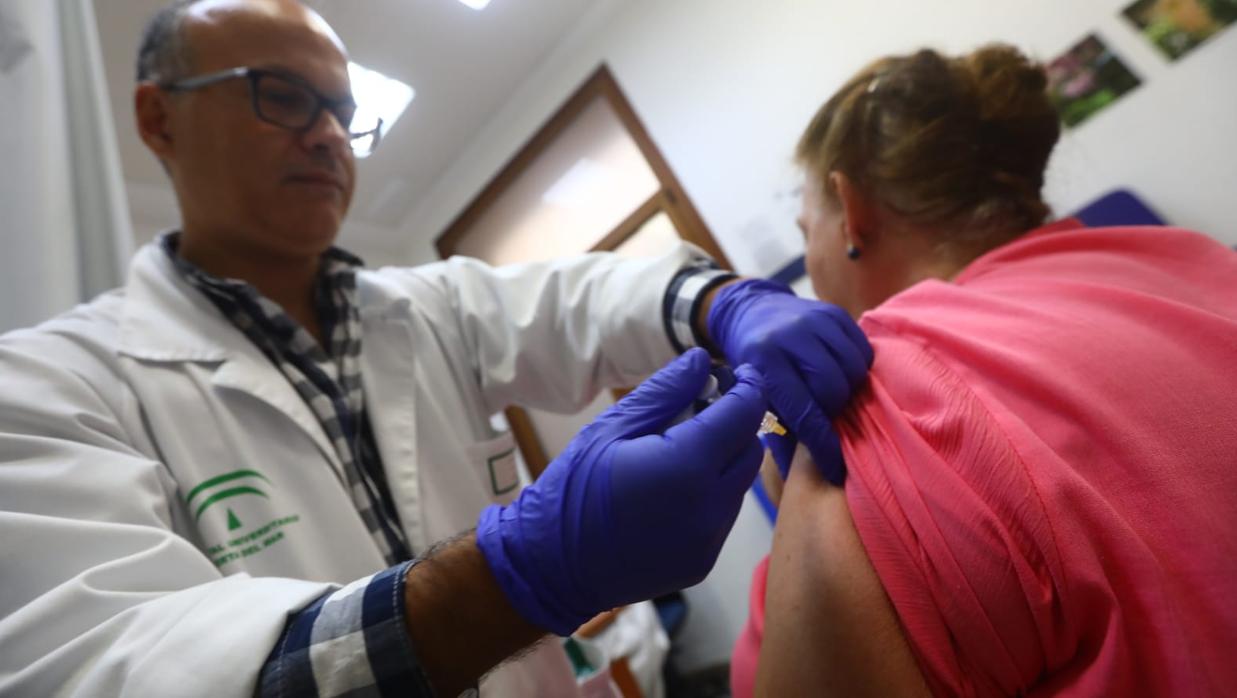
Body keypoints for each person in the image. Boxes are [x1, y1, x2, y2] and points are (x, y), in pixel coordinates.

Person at [0, 1, 873, 696]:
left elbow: (580, 298)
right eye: (282, 95)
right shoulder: (49, 386)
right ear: (159, 119)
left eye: (343, 113)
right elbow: (110, 667)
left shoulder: (428, 306)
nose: (328, 136)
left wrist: (725, 302)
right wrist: (513, 579)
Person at [732, 44, 1237, 696]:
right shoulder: (1192, 262)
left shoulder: (884, 410)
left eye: (807, 230)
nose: (810, 256)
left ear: (849, 210)